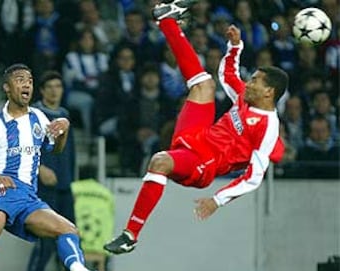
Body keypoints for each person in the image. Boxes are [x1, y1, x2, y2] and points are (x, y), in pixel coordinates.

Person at [104, 0, 288, 255]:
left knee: (159, 162)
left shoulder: (268, 127)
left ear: (269, 92)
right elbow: (227, 76)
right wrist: (235, 47)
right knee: (205, 84)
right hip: (198, 135)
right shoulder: (246, 97)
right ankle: (166, 20)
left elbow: (254, 177)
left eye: (255, 81)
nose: (249, 83)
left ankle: (130, 234)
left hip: (204, 162)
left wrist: (217, 199)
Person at [0, 64, 120, 271]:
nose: (26, 84)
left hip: (28, 196)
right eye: (19, 79)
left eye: (29, 80)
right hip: (2, 190)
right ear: (7, 88)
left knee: (68, 229)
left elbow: (54, 149)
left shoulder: (38, 117)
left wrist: (64, 130)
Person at [22, 71, 77, 271]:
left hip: (64, 185)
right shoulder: (33, 115)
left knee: (70, 234)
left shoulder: (64, 114)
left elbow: (69, 152)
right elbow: (24, 149)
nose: (55, 90)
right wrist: (39, 168)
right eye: (50, 86)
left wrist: (71, 178)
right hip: (42, 187)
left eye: (59, 86)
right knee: (45, 238)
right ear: (42, 90)